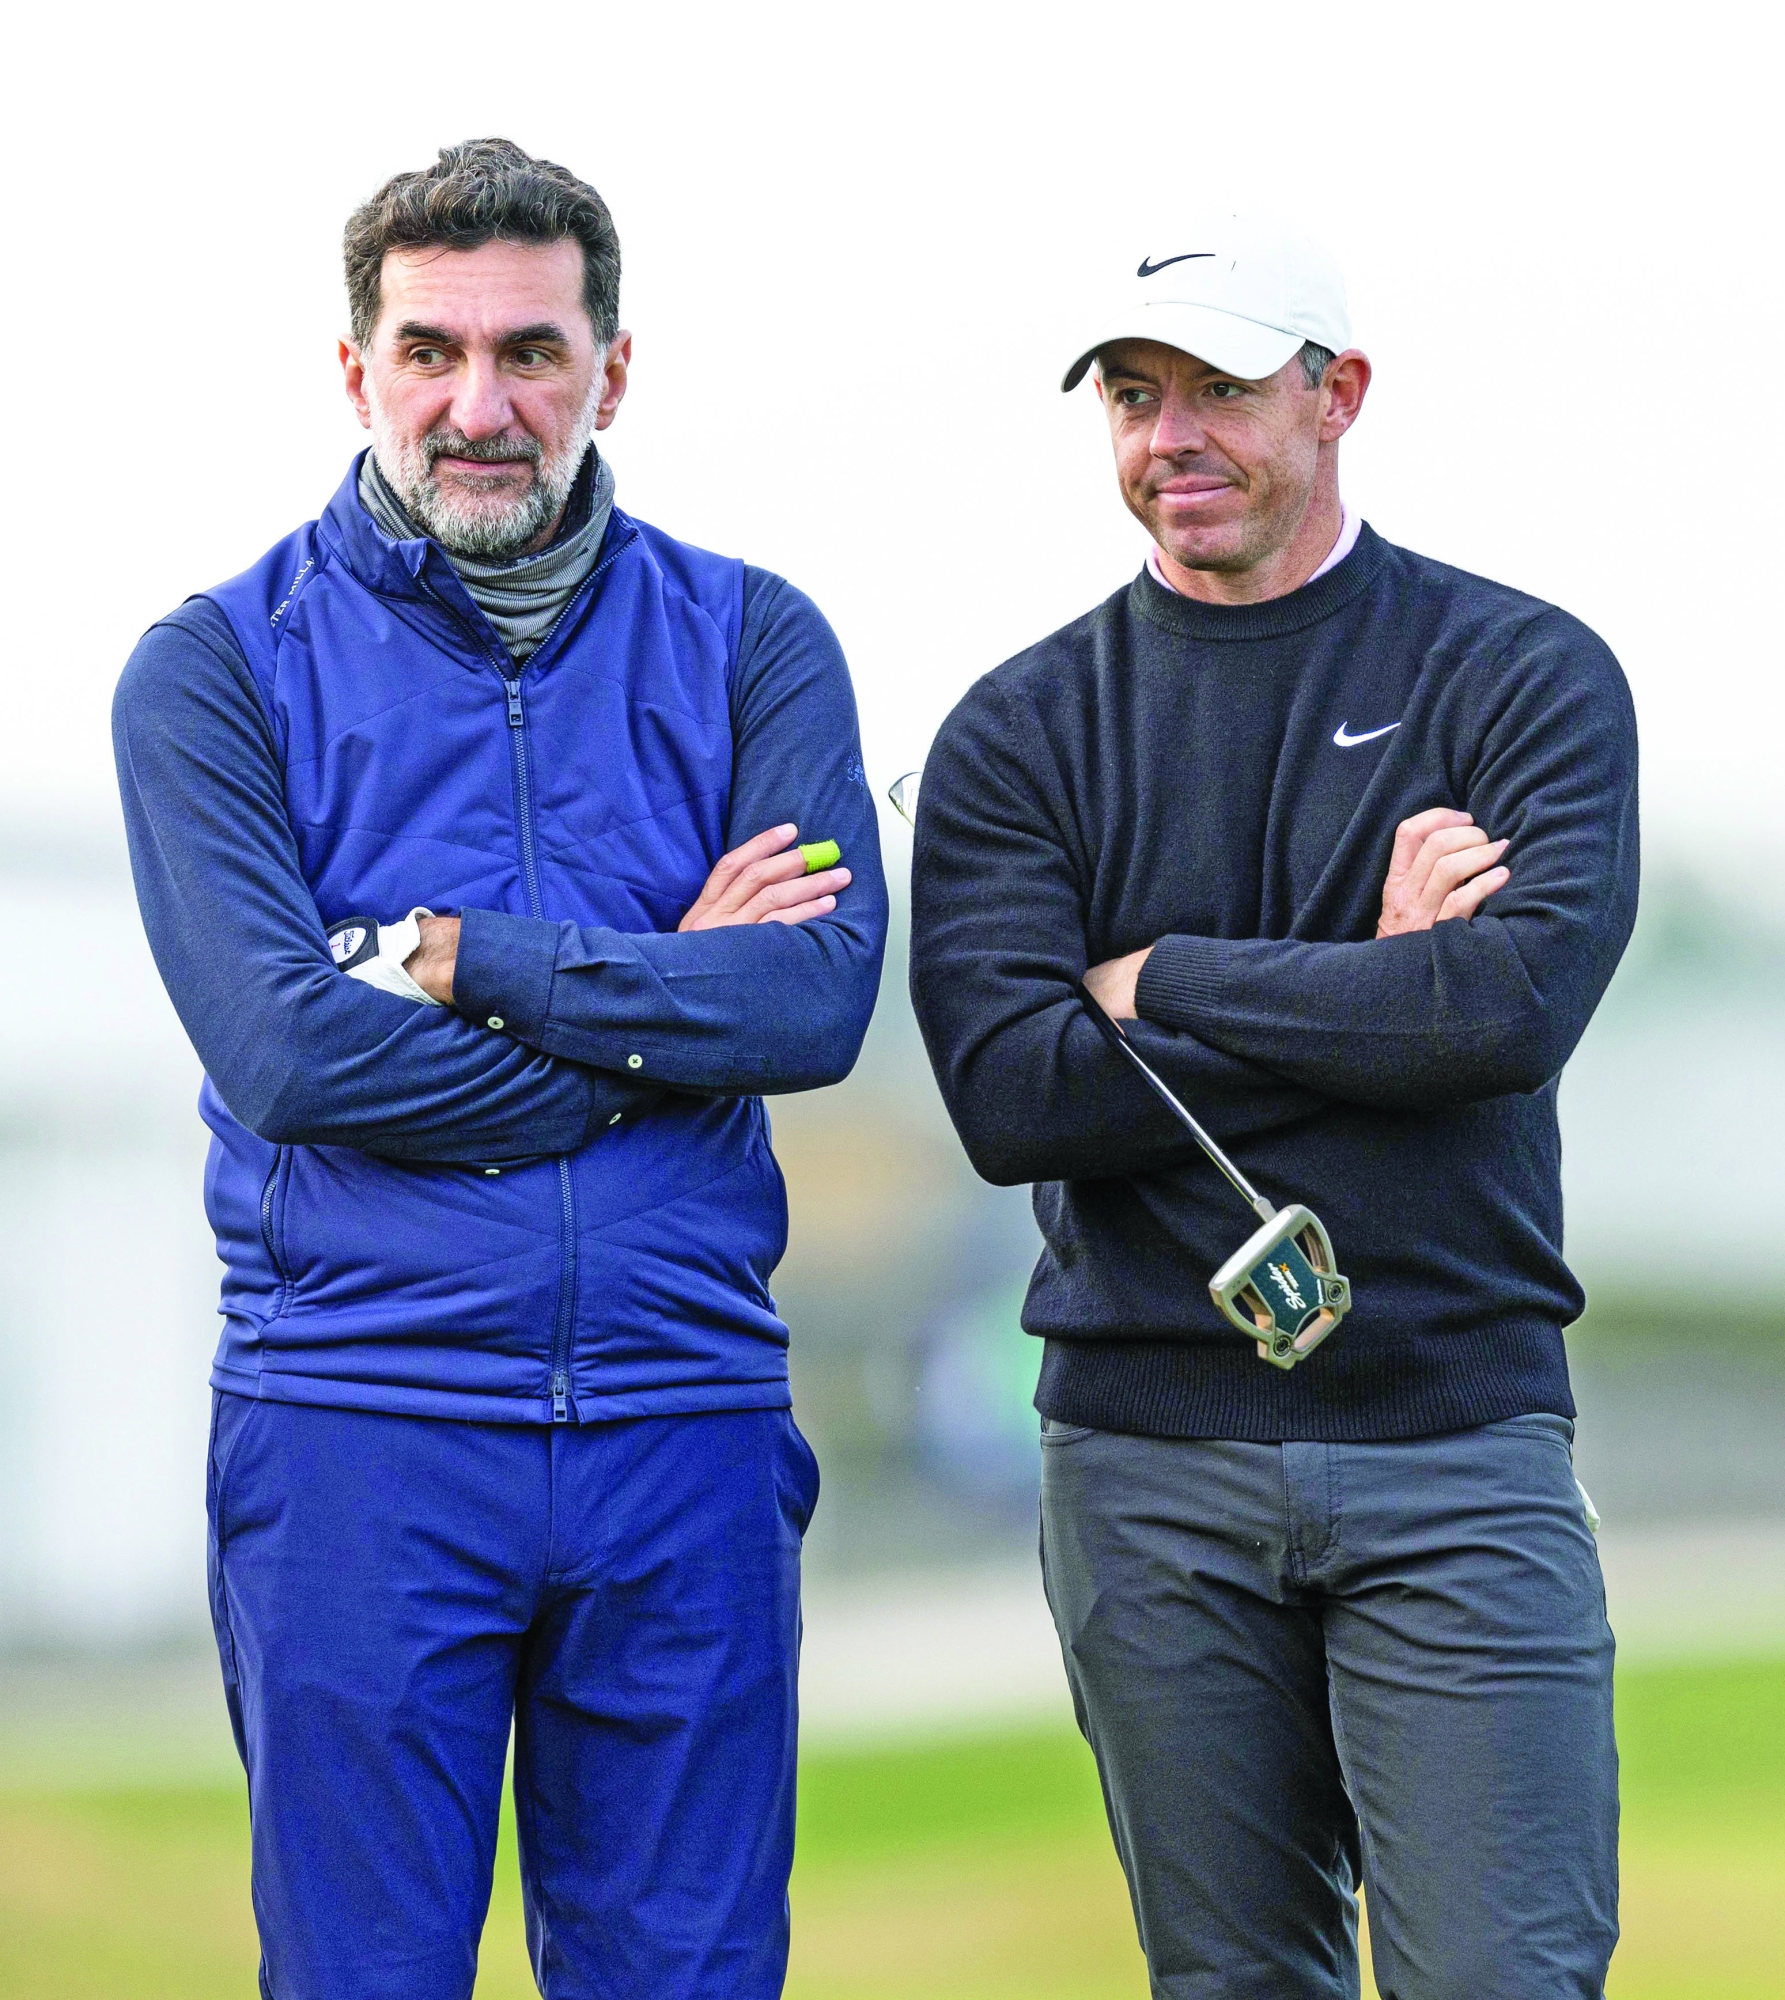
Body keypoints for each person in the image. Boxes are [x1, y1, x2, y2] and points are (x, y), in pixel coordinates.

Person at [113, 138, 886, 2000]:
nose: (482, 403)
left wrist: (482, 970)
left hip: (680, 1425)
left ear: (610, 370)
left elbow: (816, 1012)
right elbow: (291, 1055)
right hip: (359, 1429)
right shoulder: (211, 670)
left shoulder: (753, 639)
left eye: (530, 351)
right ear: (355, 365)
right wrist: (664, 1012)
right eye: (432, 350)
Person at [908, 214, 1633, 1998]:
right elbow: (1014, 1097)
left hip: (1453, 1444)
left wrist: (1160, 980)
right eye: (1134, 397)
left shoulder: (1519, 676)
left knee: (1502, 1977)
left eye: (1221, 388)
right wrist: (1365, 977)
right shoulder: (1016, 733)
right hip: (1145, 1463)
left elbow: (1498, 1011)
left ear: (1337, 396)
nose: (1172, 438)